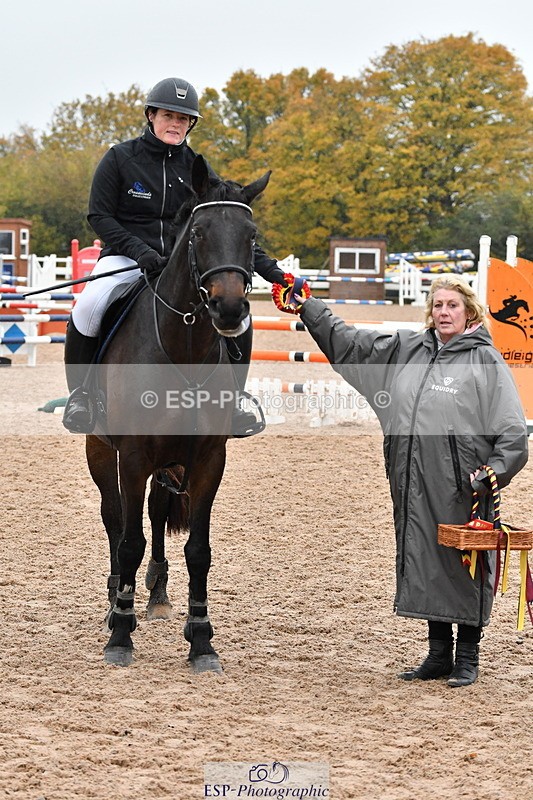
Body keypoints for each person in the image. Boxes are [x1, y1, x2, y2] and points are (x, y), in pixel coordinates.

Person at [290, 274, 528, 686]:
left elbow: (511, 426)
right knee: (425, 558)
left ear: (469, 311)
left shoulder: (484, 359)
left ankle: (467, 657)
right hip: (412, 477)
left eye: (452, 305)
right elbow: (351, 343)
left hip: (465, 483)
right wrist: (309, 306)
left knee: (465, 564)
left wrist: (496, 470)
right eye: (437, 306)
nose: (444, 312)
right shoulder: (409, 348)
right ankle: (438, 654)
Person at [63, 76, 286, 436]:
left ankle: (236, 400)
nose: (176, 124)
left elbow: (225, 223)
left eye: (184, 119)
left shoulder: (197, 168)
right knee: (88, 306)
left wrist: (275, 273)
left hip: (185, 266)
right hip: (126, 259)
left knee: (238, 316)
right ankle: (82, 396)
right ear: (151, 116)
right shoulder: (120, 159)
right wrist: (141, 252)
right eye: (169, 115)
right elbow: (99, 217)